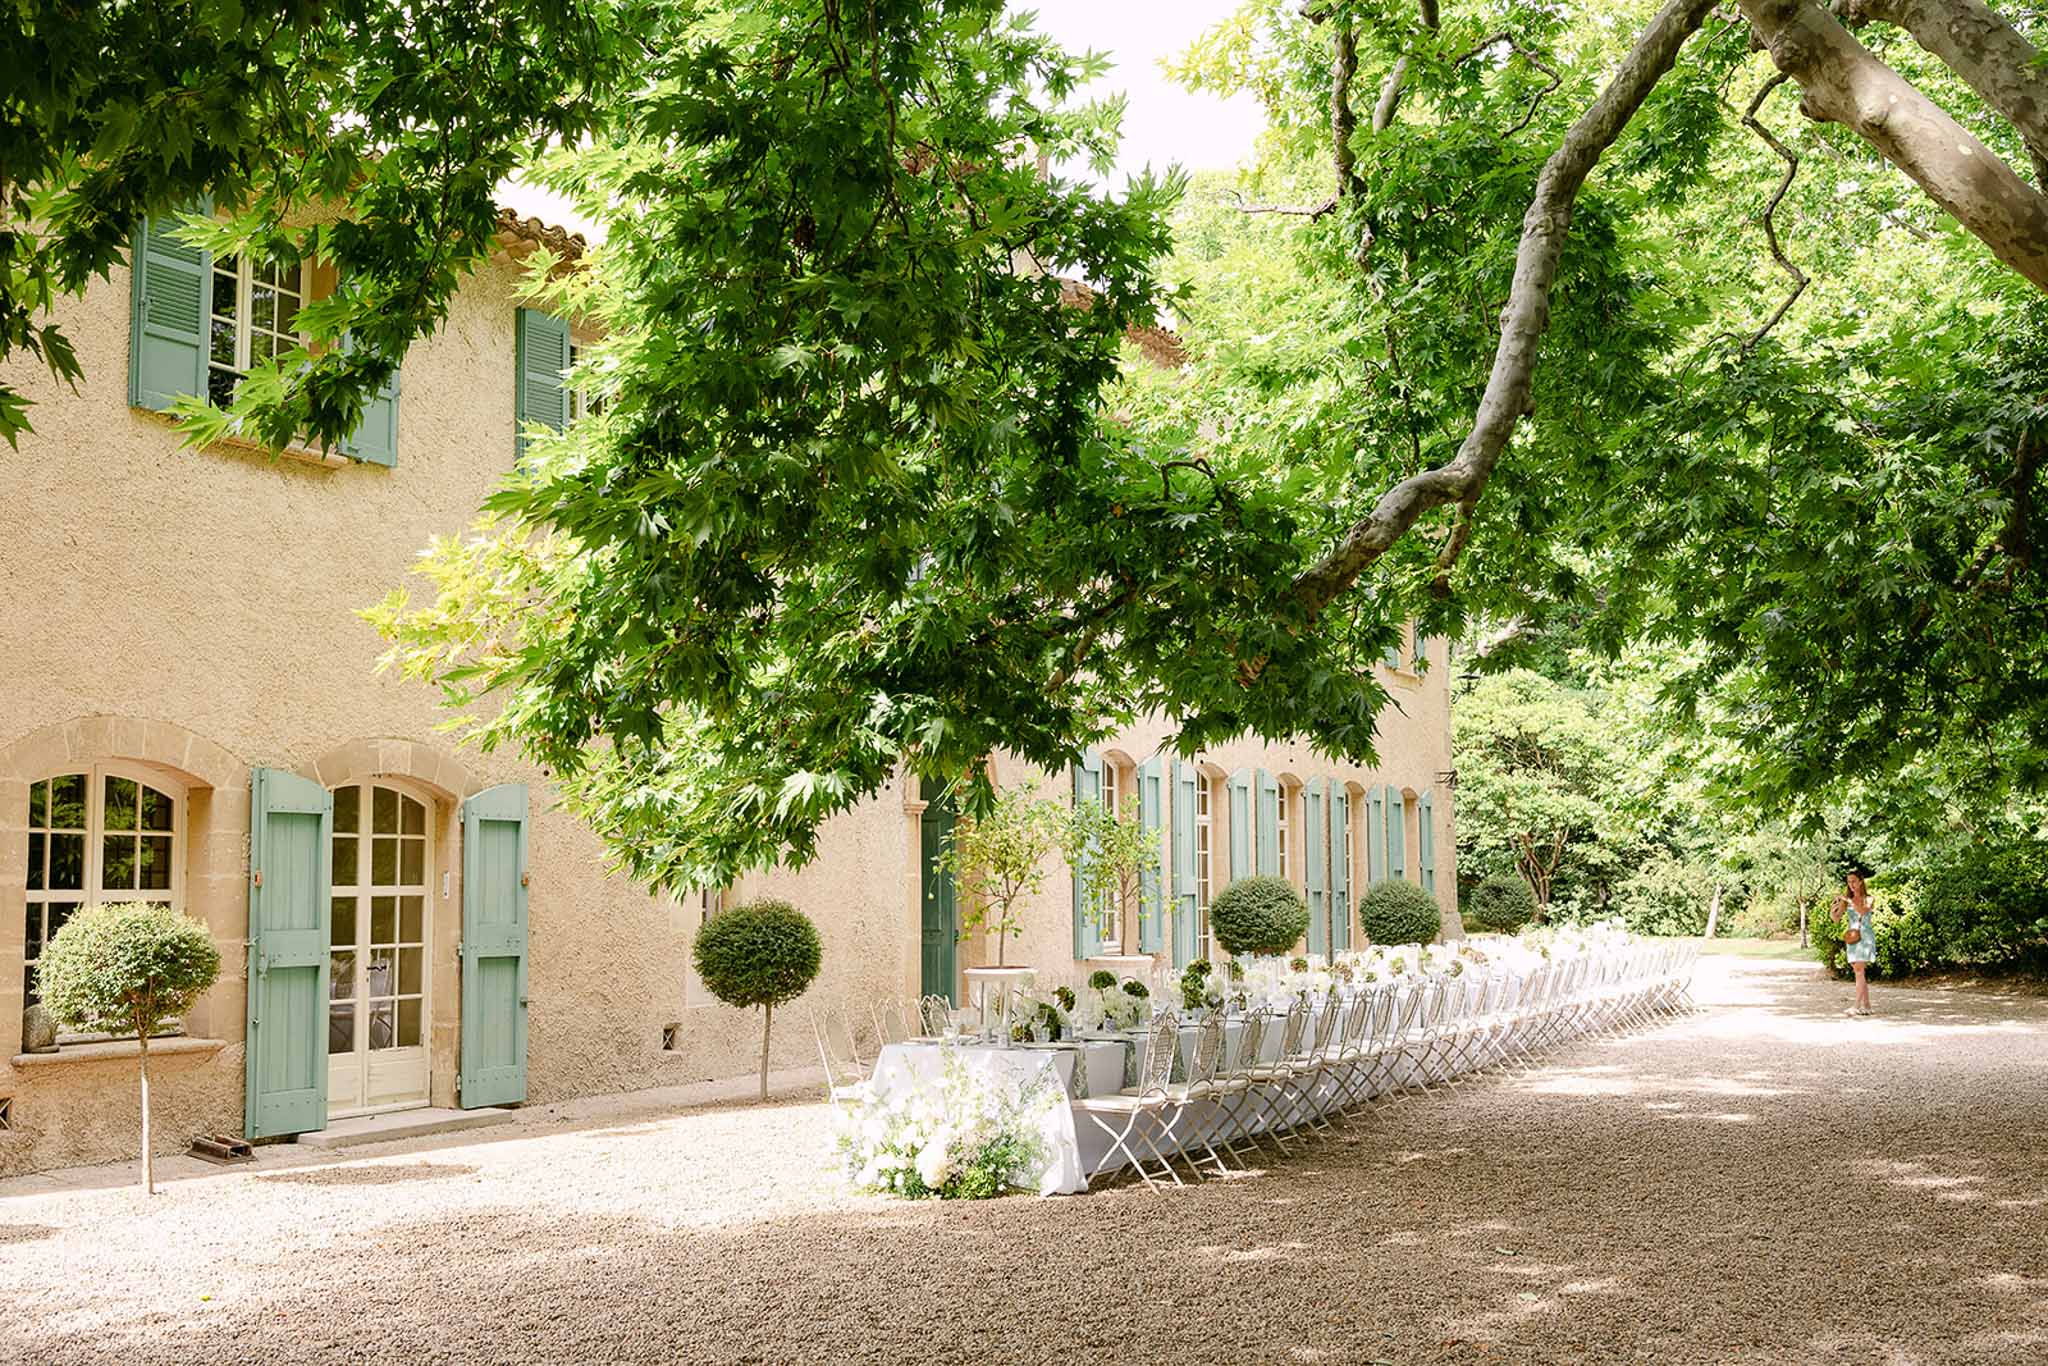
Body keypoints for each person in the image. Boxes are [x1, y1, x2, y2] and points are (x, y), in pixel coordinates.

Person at [1841, 867, 1875, 1015]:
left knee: (1859, 970)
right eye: (1849, 882)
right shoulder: (1847, 901)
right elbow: (1835, 919)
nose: (1851, 885)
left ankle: (1856, 1006)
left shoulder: (1869, 899)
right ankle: (1867, 1006)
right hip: (1852, 937)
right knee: (1858, 971)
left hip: (1865, 938)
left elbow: (1862, 911)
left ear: (1861, 882)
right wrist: (1834, 908)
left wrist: (1849, 900)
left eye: (1854, 881)